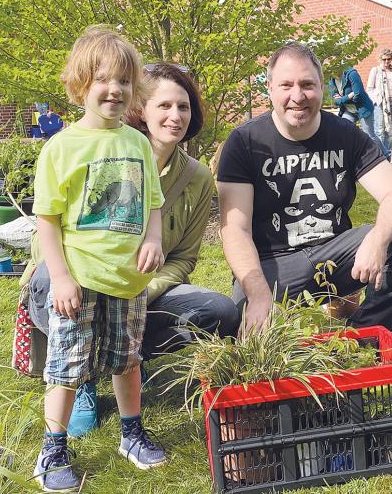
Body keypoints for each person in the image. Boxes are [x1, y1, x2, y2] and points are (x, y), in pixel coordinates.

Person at [26, 63, 241, 439]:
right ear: (141, 107)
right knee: (45, 279)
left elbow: (185, 260)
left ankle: (123, 361)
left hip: (139, 287)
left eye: (184, 107)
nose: (175, 116)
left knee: (218, 310)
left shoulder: (197, 179)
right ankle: (82, 377)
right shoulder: (97, 151)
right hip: (77, 280)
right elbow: (47, 233)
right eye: (164, 106)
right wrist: (71, 277)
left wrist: (143, 287)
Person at [218, 42, 392, 334]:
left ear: (321, 87)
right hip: (273, 266)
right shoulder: (245, 142)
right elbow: (235, 230)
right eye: (286, 85)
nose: (298, 96)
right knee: (241, 329)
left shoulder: (345, 133)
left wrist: (377, 241)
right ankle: (269, 308)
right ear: (269, 88)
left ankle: (364, 335)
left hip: (337, 257)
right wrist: (257, 294)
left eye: (307, 84)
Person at [31, 25, 167, 491]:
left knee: (128, 360)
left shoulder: (138, 143)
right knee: (67, 366)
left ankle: (131, 433)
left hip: (127, 278)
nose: (115, 89)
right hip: (80, 278)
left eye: (124, 81)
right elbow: (47, 220)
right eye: (103, 80)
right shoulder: (61, 148)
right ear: (80, 85)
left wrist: (153, 240)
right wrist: (61, 277)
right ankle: (53, 449)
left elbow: (153, 202)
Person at [329, 66, 390, 160]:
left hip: (363, 108)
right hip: (348, 110)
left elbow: (358, 94)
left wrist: (342, 99)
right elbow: (335, 101)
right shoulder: (332, 80)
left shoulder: (352, 74)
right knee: (345, 132)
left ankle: (385, 155)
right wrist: (348, 96)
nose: (331, 72)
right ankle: (354, 159)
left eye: (332, 68)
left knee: (369, 135)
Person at [367, 49, 392, 150]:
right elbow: (369, 89)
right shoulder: (375, 70)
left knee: (390, 131)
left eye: (389, 59)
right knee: (379, 130)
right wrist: (379, 98)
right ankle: (379, 155)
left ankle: (387, 154)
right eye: (384, 59)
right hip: (380, 103)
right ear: (380, 59)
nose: (386, 61)